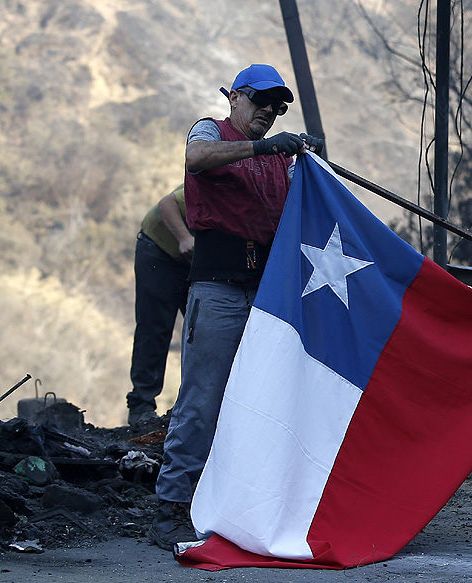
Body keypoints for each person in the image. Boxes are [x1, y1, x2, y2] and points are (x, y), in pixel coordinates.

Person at [148, 63, 323, 550]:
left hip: (269, 294)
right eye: (261, 100)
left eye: (278, 105)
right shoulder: (212, 130)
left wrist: (313, 169)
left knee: (260, 401)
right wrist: (268, 146)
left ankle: (240, 506)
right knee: (202, 400)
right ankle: (171, 508)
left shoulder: (282, 163)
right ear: (235, 97)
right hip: (218, 288)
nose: (270, 111)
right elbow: (197, 156)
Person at [126, 185, 193, 426]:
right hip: (161, 248)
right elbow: (168, 204)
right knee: (155, 328)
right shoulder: (224, 176)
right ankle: (141, 405)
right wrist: (184, 238)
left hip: (201, 261)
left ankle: (194, 407)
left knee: (203, 334)